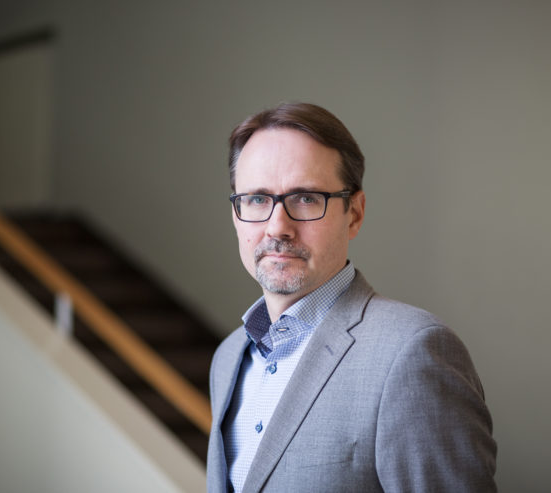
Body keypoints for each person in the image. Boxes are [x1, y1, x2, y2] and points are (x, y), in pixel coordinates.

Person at [207, 103, 497, 492]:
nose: (278, 226)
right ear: (236, 213)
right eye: (257, 199)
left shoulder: (411, 352)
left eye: (306, 198)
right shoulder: (228, 359)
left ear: (355, 213)